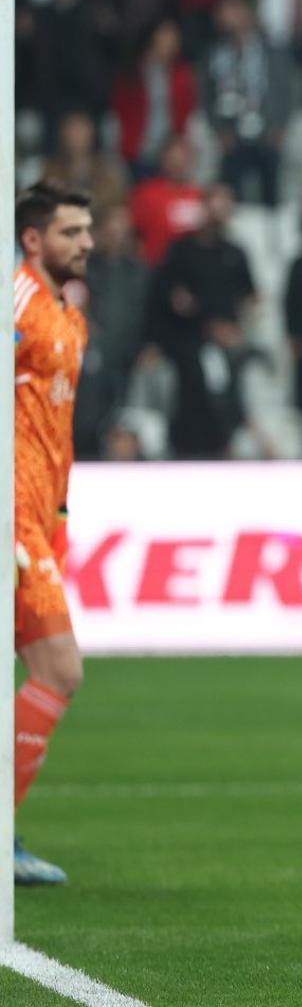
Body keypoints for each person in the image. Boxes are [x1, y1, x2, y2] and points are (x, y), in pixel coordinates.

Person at [13, 180, 95, 885]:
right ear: (34, 239)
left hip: (44, 515)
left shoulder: (69, 317)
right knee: (59, 668)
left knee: (50, 670)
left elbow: (55, 430)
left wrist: (59, 514)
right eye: (72, 231)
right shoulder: (17, 300)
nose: (88, 243)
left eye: (88, 230)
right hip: (11, 513)